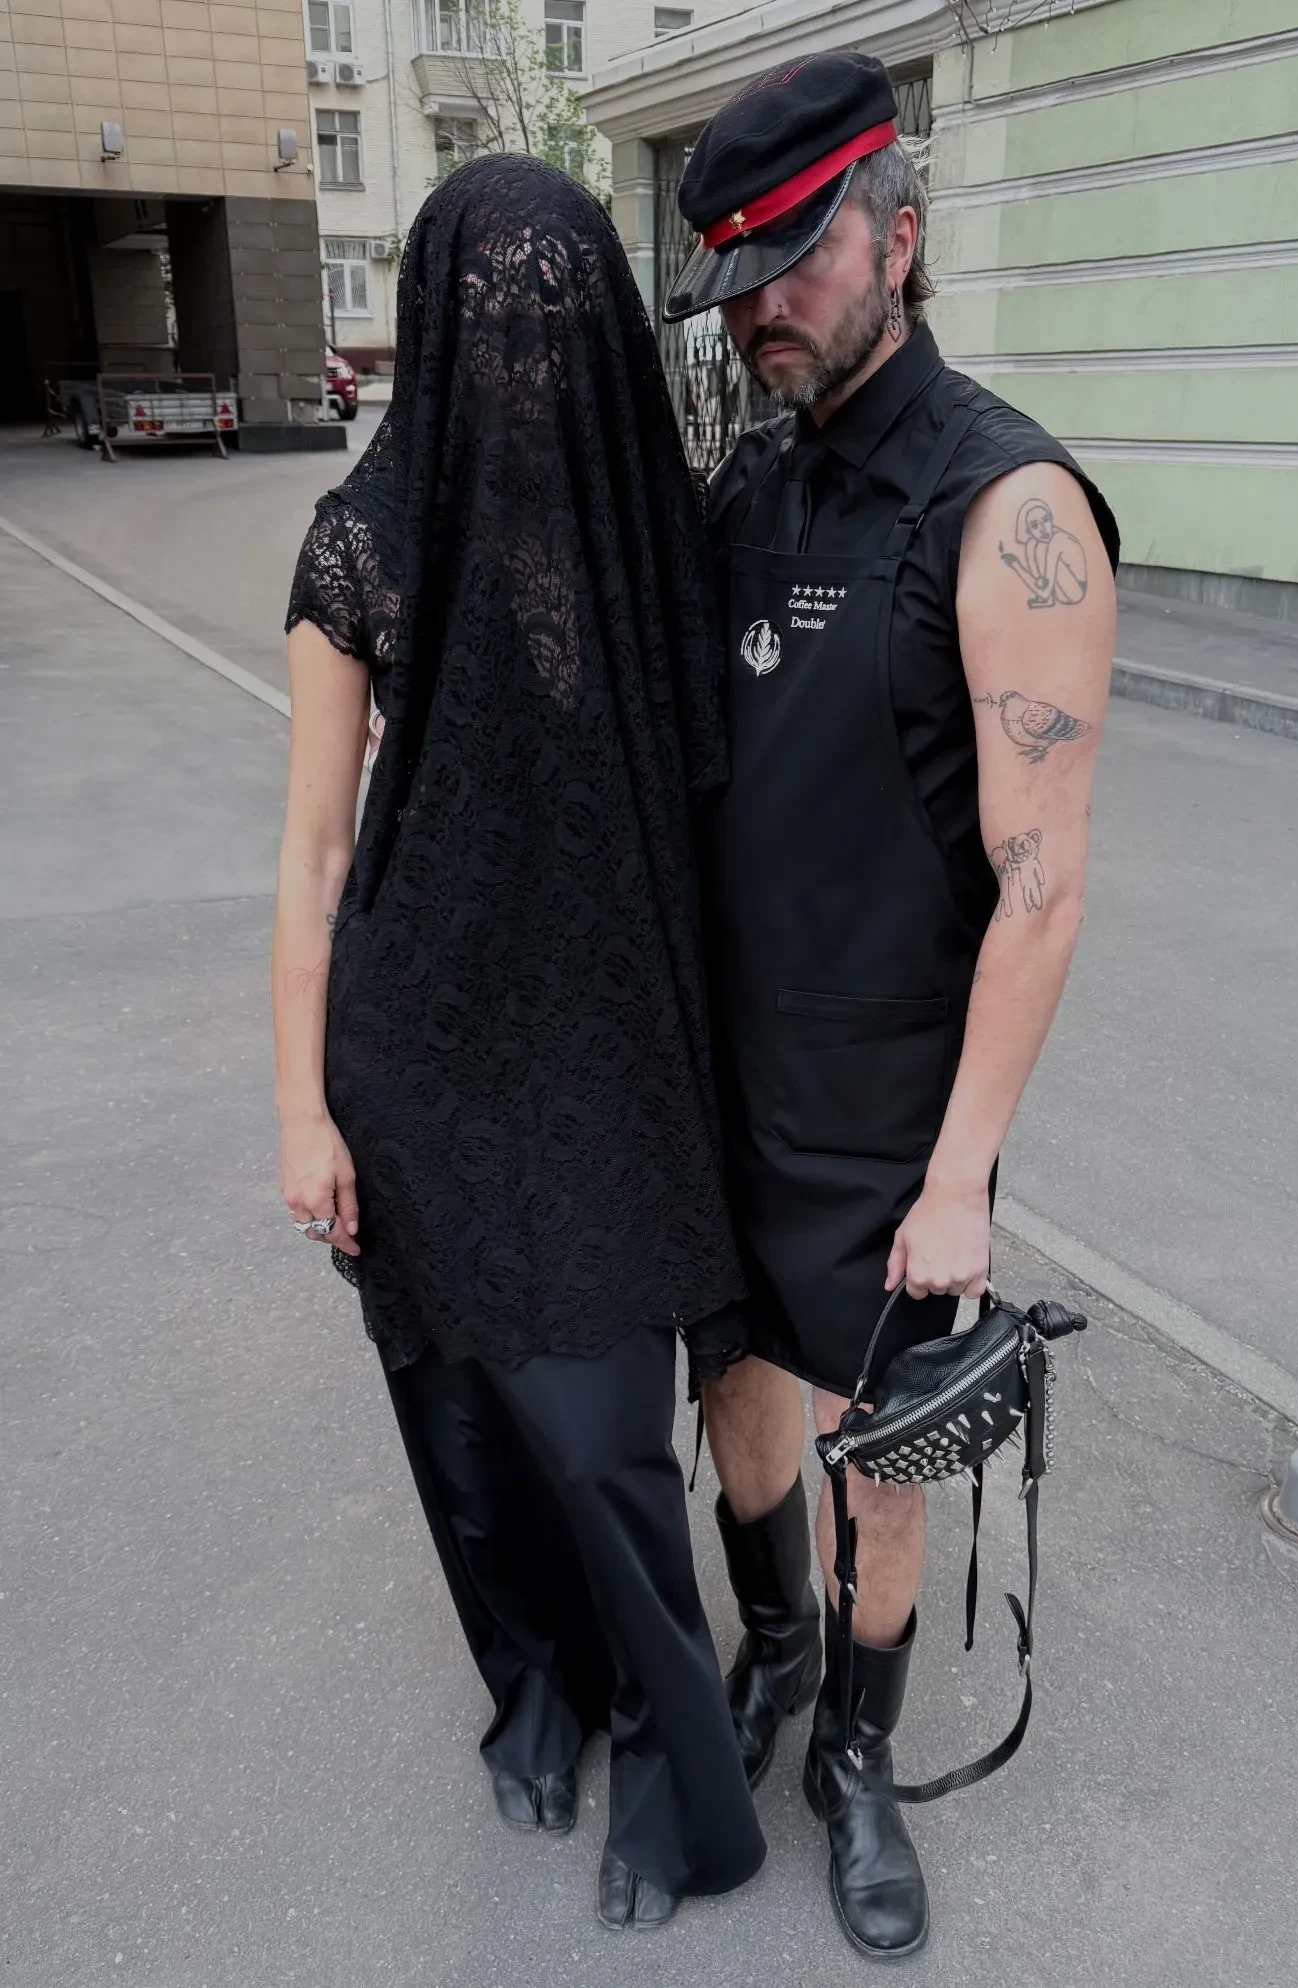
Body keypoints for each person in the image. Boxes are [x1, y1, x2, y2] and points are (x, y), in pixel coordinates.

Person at [272, 157, 765, 1931]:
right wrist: (300, 1104)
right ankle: (539, 1686)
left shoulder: (664, 530)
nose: (524, 345)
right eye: (491, 308)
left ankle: (670, 1756)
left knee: (609, 1437)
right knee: (464, 1422)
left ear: (604, 324)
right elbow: (316, 852)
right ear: (433, 321)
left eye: (558, 307)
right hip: (419, 1051)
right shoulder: (364, 541)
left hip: (614, 1055)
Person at [663, 52, 1120, 1961]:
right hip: (723, 1076)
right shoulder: (748, 484)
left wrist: (959, 1180)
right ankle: (774, 1644)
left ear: (900, 238)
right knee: (739, 1396)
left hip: (887, 1114)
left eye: (799, 262)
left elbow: (1043, 888)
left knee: (882, 1459)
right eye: (736, 279)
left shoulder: (1008, 506)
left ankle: (856, 1752)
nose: (762, 307)